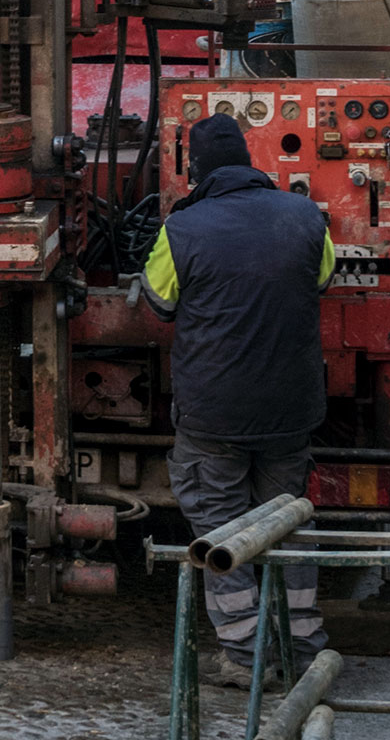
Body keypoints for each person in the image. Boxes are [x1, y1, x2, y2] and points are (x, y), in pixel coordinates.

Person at [136, 113, 335, 689]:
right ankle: (303, 652)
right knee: (286, 526)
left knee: (222, 534)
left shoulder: (183, 228)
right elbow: (322, 279)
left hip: (214, 415)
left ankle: (246, 659)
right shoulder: (304, 216)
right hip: (291, 411)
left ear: (195, 169)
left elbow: (159, 301)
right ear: (249, 159)